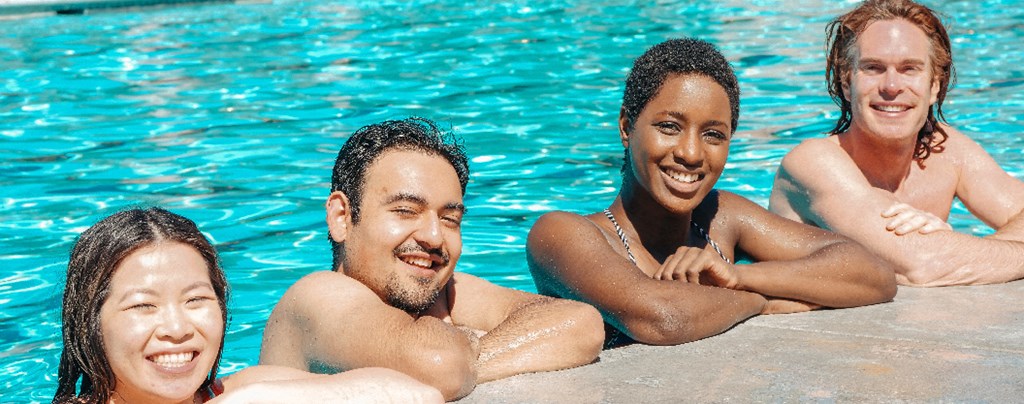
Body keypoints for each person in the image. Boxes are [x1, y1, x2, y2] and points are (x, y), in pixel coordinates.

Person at [527, 38, 897, 348]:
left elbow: (874, 274)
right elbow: (661, 318)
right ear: (627, 127)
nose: (690, 153)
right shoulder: (562, 233)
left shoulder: (721, 218)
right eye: (669, 127)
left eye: (713, 135)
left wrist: (739, 276)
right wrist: (760, 302)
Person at [259, 117, 604, 401]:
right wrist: (455, 343)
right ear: (341, 217)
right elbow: (438, 364)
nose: (435, 237)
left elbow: (580, 323)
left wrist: (469, 351)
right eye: (406, 211)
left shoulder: (434, 292)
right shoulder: (316, 297)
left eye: (450, 219)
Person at [54, 207, 442, 404]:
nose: (176, 328)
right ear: (90, 323)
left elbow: (417, 394)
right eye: (143, 306)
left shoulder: (241, 390)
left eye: (196, 300)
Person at [769, 0, 1024, 287]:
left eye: (909, 69)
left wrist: (956, 245)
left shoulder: (947, 150)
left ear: (934, 86)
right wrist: (949, 247)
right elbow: (925, 264)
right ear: (846, 83)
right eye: (874, 68)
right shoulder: (813, 162)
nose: (891, 86)